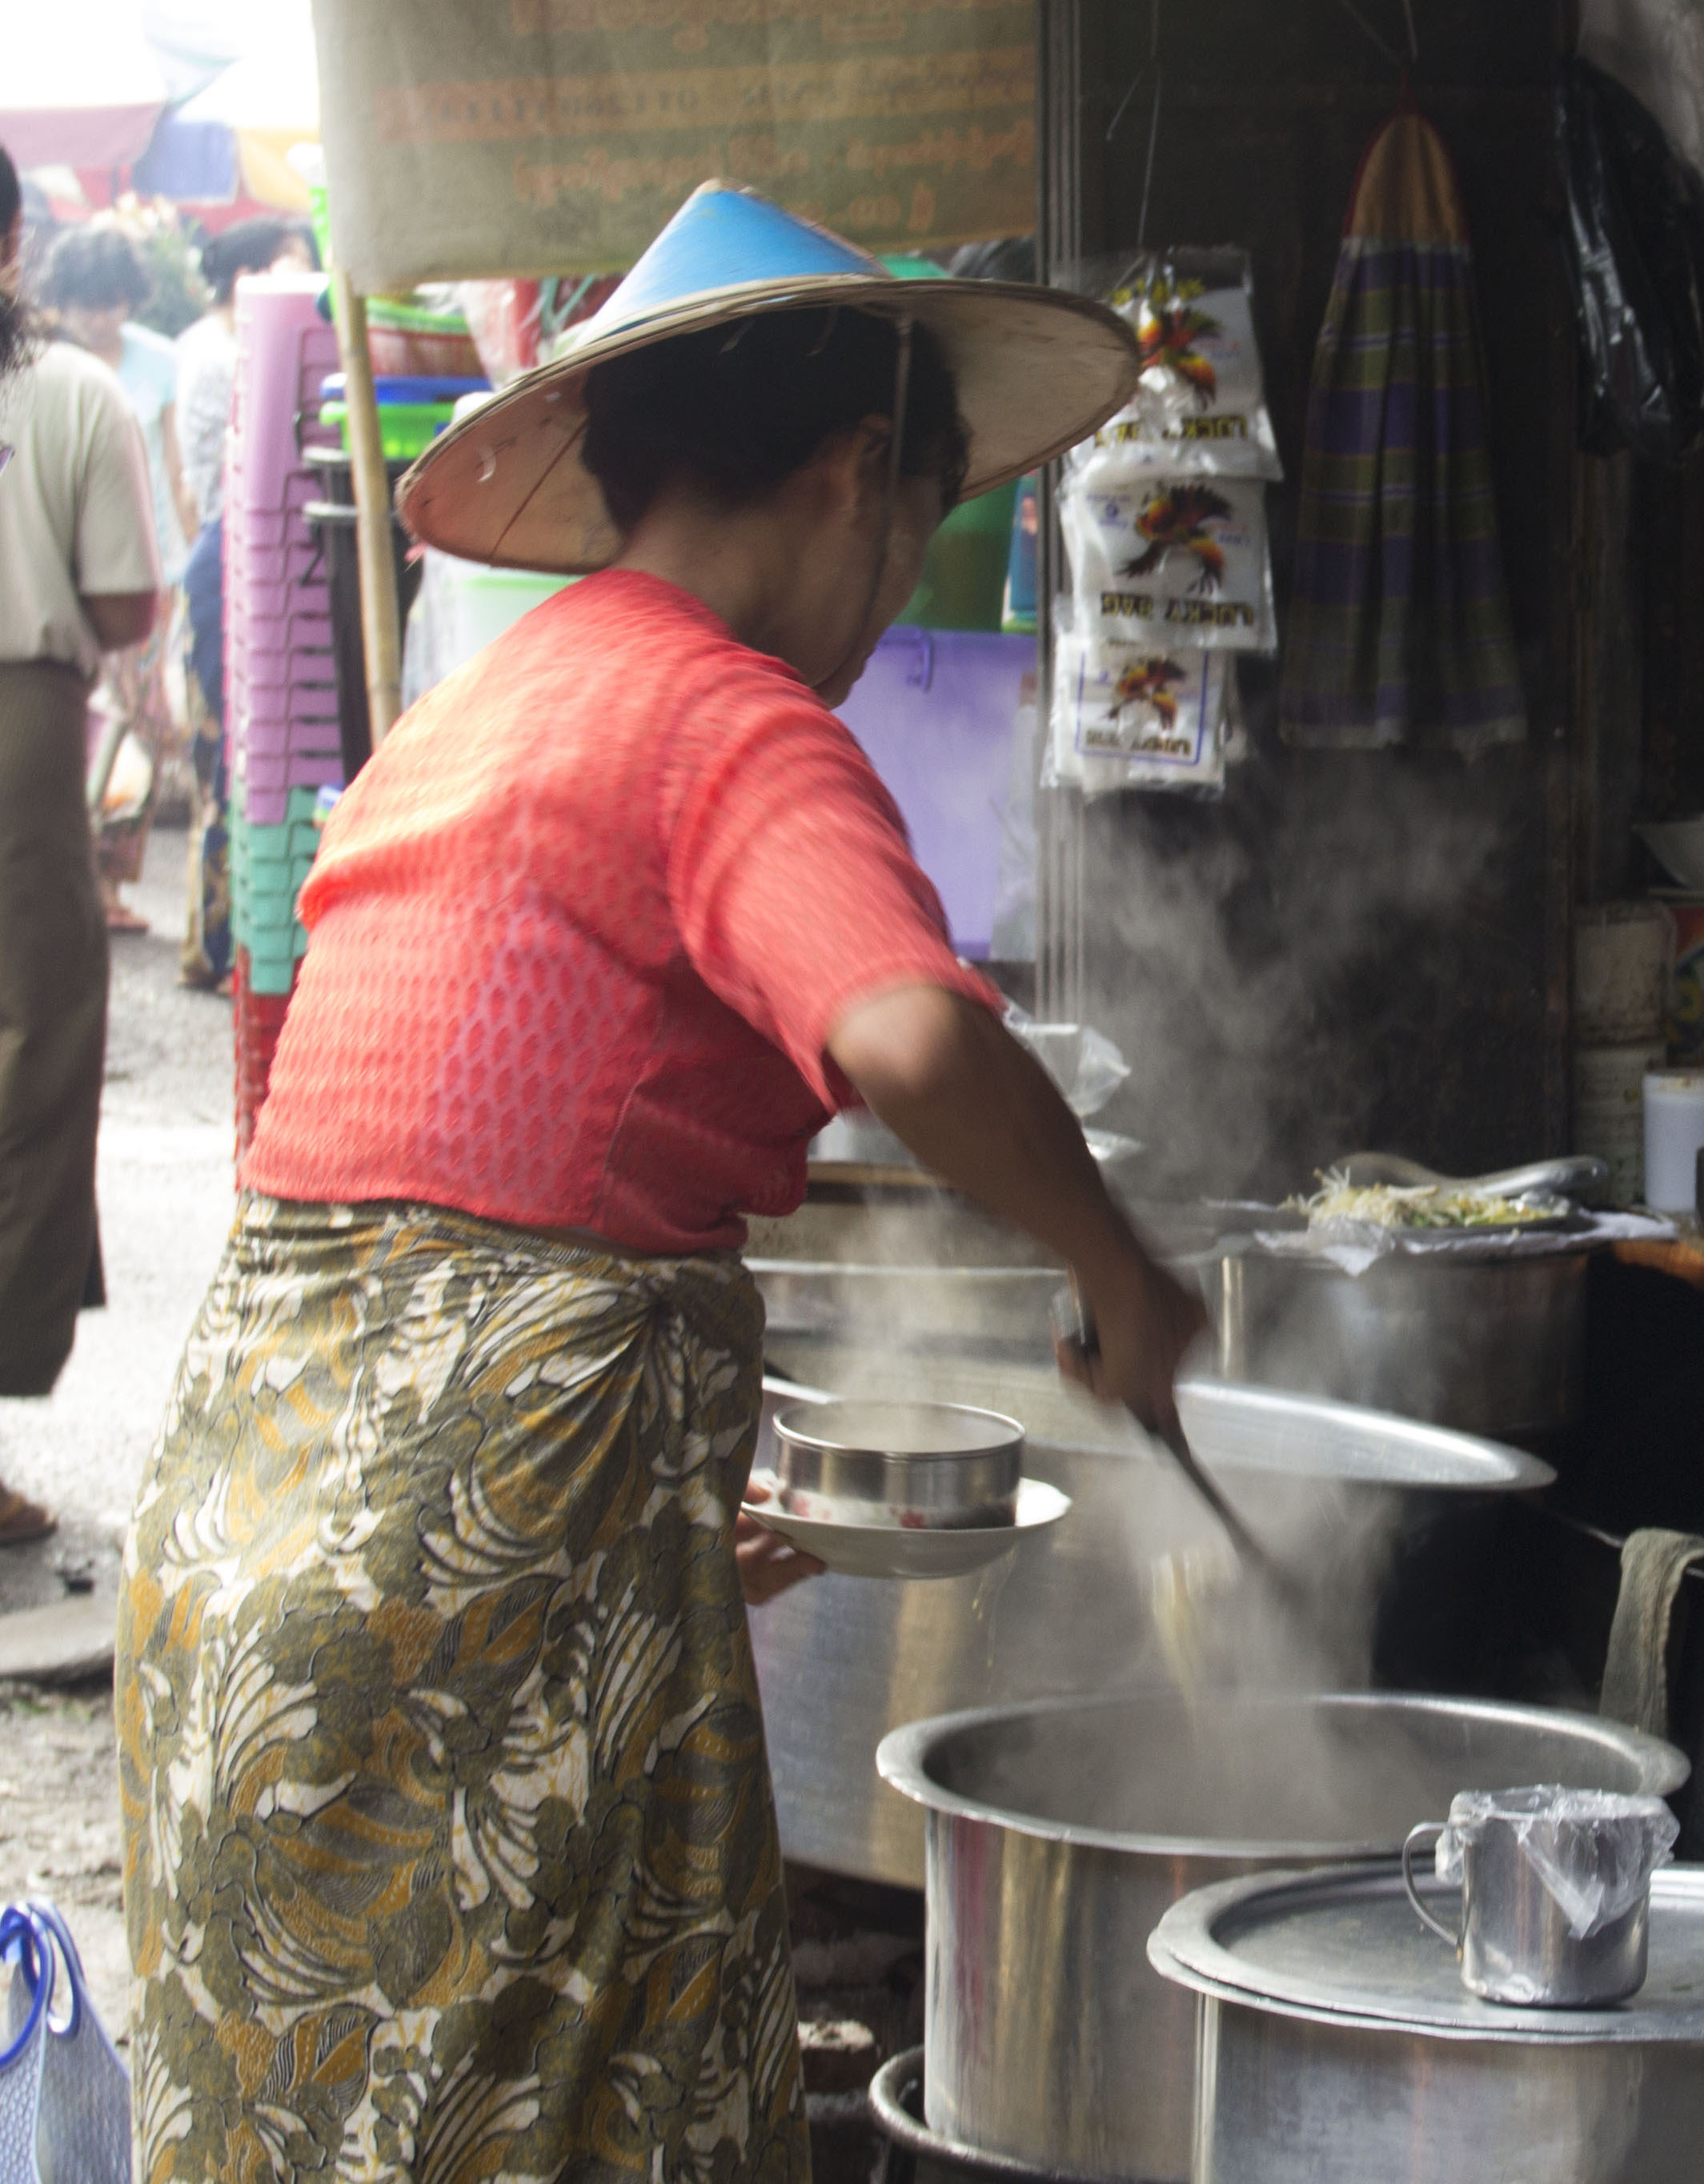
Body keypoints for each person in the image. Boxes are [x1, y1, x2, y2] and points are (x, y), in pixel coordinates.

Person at [116, 184, 1198, 2180]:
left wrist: (657, 1497)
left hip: (249, 1564)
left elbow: (426, 1220)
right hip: (461, 1609)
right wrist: (1111, 1264)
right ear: (863, 473)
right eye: (921, 535)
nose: (889, 609)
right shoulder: (722, 718)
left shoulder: (470, 718)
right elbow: (915, 1038)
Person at [0, 152, 158, 1549]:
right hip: (17, 733)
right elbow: (123, 602)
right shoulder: (65, 393)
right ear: (15, 245)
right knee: (27, 1056)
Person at [168, 214, 318, 989]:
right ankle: (219, 946)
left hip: (227, 551)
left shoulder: (212, 344)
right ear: (247, 278)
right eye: (291, 263)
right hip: (227, 555)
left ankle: (212, 942)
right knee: (229, 757)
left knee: (229, 760)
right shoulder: (225, 352)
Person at [35, 223, 182, 934]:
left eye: (114, 302)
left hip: (145, 573)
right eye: (89, 304)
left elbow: (175, 472)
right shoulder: (42, 365)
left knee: (142, 731)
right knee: (85, 732)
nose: (102, 317)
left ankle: (112, 880)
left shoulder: (157, 362)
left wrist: (174, 570)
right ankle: (77, 875)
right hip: (67, 584)